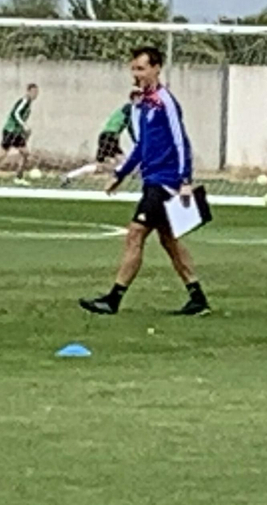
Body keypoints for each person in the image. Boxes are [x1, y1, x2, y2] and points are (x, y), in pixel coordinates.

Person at [79, 47, 210, 316]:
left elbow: (180, 141)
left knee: (135, 233)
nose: (136, 74)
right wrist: (120, 175)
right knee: (169, 240)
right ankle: (197, 298)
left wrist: (185, 179)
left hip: (165, 181)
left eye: (141, 68)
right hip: (152, 179)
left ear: (156, 68)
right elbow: (142, 146)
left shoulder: (165, 101)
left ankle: (113, 300)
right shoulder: (146, 105)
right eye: (134, 69)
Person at [62, 90, 141, 186]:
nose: (142, 101)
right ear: (134, 99)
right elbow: (131, 127)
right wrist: (138, 141)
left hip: (108, 136)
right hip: (110, 136)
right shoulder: (129, 108)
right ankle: (118, 176)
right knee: (116, 163)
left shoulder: (127, 109)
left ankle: (70, 176)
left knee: (110, 164)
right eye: (139, 98)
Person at [0, 84, 39, 181]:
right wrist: (24, 125)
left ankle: (19, 177)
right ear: (28, 91)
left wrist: (24, 130)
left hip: (17, 132)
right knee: (2, 154)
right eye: (33, 92)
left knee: (25, 153)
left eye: (36, 92)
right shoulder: (24, 101)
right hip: (10, 130)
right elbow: (15, 113)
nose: (35, 94)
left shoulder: (28, 103)